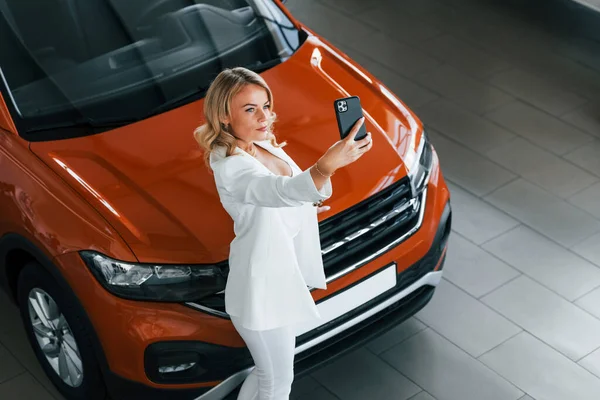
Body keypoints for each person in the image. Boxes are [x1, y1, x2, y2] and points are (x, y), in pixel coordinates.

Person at [193, 67, 373, 400]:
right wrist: (325, 167)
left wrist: (318, 182)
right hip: (260, 289)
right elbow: (277, 190)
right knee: (277, 383)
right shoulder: (232, 166)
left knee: (268, 375)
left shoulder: (261, 144)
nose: (264, 117)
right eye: (250, 109)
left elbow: (294, 191)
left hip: (277, 279)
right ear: (224, 116)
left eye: (265, 105)